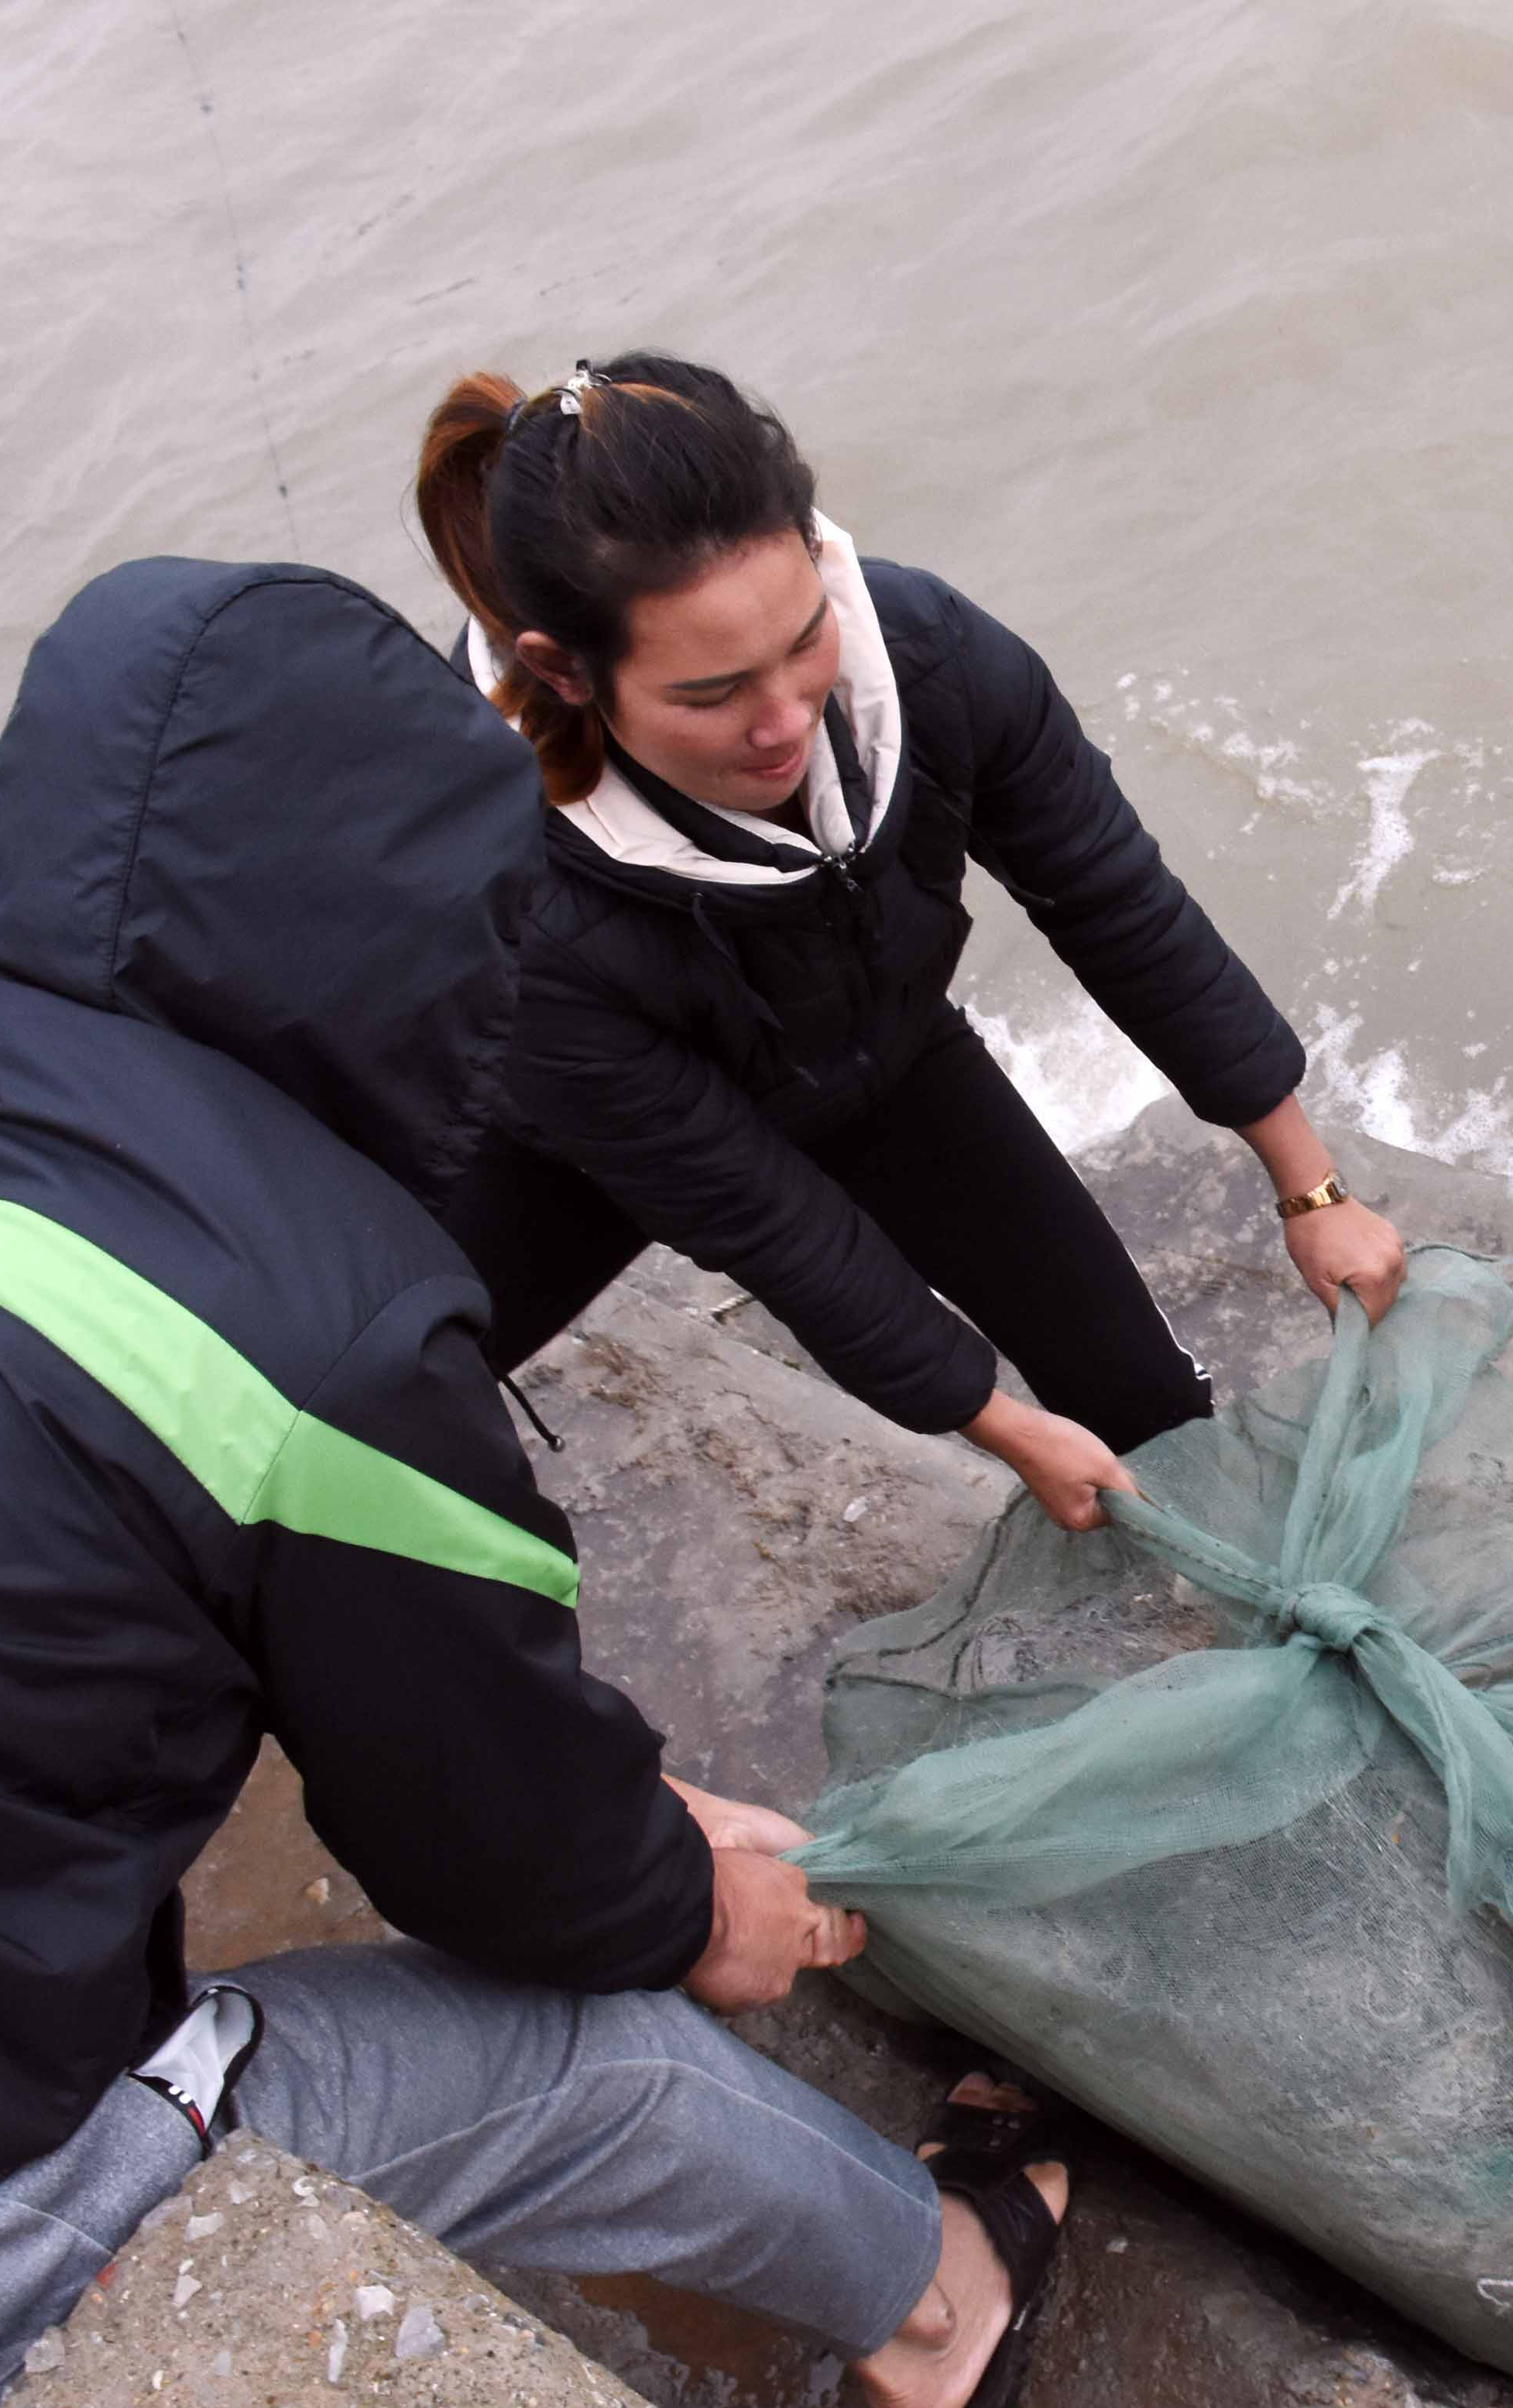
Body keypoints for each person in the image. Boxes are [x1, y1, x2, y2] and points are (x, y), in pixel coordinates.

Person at [0, 560, 1062, 2408]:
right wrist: (695, 1896)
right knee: (589, 2063)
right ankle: (938, 2302)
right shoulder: (323, 1329)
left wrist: (611, 1809)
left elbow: (38, 1618)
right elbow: (514, 1872)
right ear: (423, 922)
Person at [408, 351, 1405, 1532]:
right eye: (712, 693)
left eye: (802, 641)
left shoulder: (929, 657)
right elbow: (763, 1214)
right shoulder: (509, 891)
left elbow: (1113, 900)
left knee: (1151, 1415)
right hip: (535, 1141)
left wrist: (1310, 1185)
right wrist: (990, 1415)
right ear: (563, 672)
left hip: (868, 1048)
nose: (785, 720)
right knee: (387, 1420)